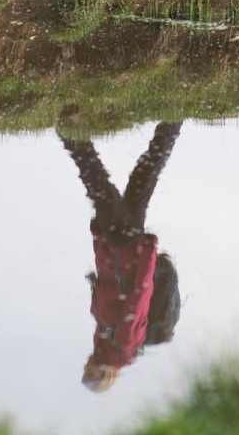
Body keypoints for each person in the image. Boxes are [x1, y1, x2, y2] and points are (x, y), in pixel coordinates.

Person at [60, 121, 184, 392]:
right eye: (89, 371)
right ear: (103, 373)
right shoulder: (124, 343)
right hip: (127, 246)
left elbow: (103, 278)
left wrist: (97, 237)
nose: (86, 365)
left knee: (143, 177)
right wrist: (149, 252)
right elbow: (141, 293)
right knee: (97, 183)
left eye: (85, 370)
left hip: (115, 245)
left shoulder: (104, 337)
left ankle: (172, 123)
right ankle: (70, 129)